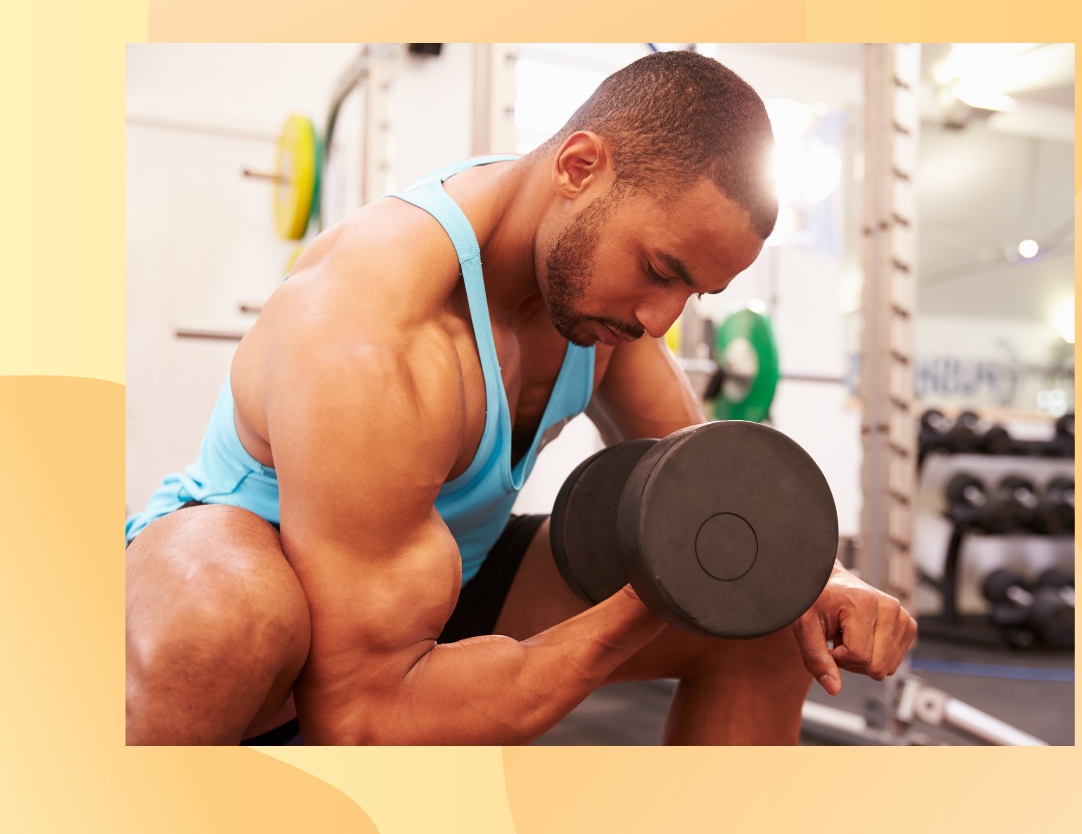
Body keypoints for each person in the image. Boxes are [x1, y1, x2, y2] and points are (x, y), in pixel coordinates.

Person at [125, 50, 917, 746]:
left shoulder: (604, 311)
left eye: (693, 293)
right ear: (580, 167)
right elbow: (362, 722)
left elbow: (713, 488)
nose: (659, 320)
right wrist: (662, 593)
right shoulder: (372, 328)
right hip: (280, 602)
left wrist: (828, 579)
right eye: (662, 268)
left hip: (428, 588)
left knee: (770, 621)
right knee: (219, 619)